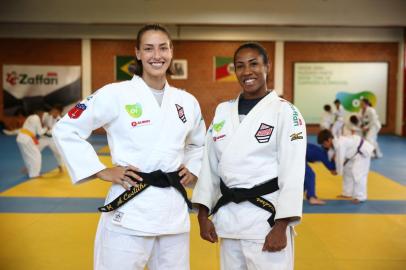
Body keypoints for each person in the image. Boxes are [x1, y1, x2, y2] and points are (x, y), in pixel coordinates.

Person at [53, 24, 205, 270]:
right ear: (137, 53)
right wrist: (101, 170)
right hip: (130, 207)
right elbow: (66, 128)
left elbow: (199, 143)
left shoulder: (187, 101)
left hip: (172, 211)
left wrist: (194, 168)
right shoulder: (115, 94)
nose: (157, 55)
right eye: (148, 48)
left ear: (171, 51)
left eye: (163, 48)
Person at [192, 42, 306, 270]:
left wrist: (282, 225)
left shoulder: (285, 111)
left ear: (267, 66)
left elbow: (293, 171)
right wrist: (203, 214)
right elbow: (210, 164)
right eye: (240, 66)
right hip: (229, 220)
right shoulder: (223, 111)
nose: (247, 72)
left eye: (254, 64)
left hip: (266, 221)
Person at [318, 129, 374, 204]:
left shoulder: (340, 144)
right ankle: (347, 193)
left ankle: (360, 197)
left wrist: (337, 171)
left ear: (329, 139)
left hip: (362, 152)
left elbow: (340, 160)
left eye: (324, 144)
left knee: (358, 173)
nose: (324, 146)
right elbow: (331, 156)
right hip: (353, 155)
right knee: (347, 171)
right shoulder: (334, 143)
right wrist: (331, 168)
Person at [16, 109, 47, 178]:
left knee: (27, 156)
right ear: (40, 113)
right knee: (37, 155)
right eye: (42, 115)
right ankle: (34, 174)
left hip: (20, 138)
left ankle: (30, 170)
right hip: (27, 139)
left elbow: (33, 130)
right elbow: (40, 132)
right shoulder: (37, 118)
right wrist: (46, 128)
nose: (42, 117)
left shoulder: (30, 117)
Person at [39, 105, 64, 172]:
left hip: (52, 139)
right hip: (43, 138)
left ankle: (60, 165)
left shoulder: (60, 120)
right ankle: (30, 167)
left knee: (58, 153)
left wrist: (47, 128)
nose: (53, 112)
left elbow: (53, 130)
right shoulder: (47, 116)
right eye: (53, 110)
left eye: (55, 111)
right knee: (35, 151)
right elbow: (42, 123)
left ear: (59, 112)